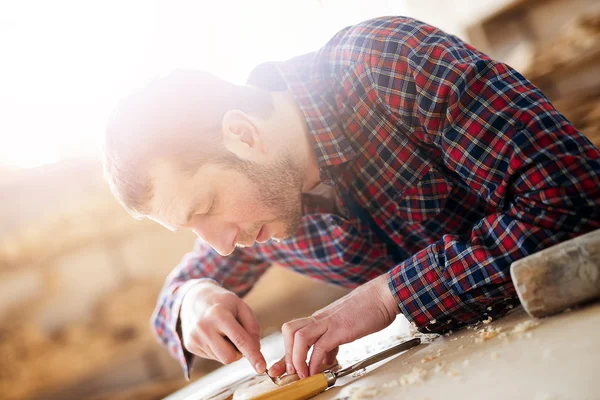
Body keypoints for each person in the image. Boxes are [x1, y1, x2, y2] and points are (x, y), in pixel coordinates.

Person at [102, 16, 600, 381]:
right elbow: (181, 289)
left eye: (205, 209)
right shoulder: (258, 209)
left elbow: (572, 199)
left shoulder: (388, 61)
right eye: (190, 228)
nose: (222, 247)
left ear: (244, 135)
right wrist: (191, 301)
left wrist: (388, 295)